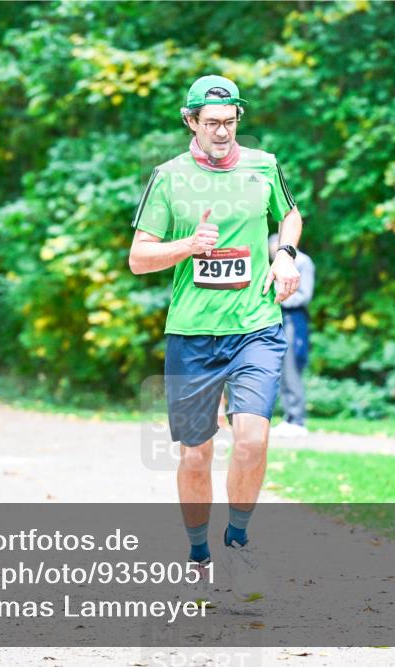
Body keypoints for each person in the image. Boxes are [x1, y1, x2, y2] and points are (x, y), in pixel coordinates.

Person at [129, 75, 302, 603]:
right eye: (212, 123)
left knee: (251, 439)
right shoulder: (168, 178)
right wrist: (188, 245)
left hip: (255, 325)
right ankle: (198, 552)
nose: (222, 132)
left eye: (230, 122)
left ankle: (239, 540)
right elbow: (139, 259)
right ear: (190, 122)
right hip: (193, 333)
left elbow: (290, 216)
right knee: (195, 457)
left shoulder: (264, 165)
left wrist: (284, 254)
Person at [267, 234, 315, 438]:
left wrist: (278, 299)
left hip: (293, 320)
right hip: (277, 318)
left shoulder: (303, 262)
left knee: (292, 367)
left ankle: (297, 419)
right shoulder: (273, 265)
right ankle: (288, 417)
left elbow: (305, 294)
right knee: (281, 370)